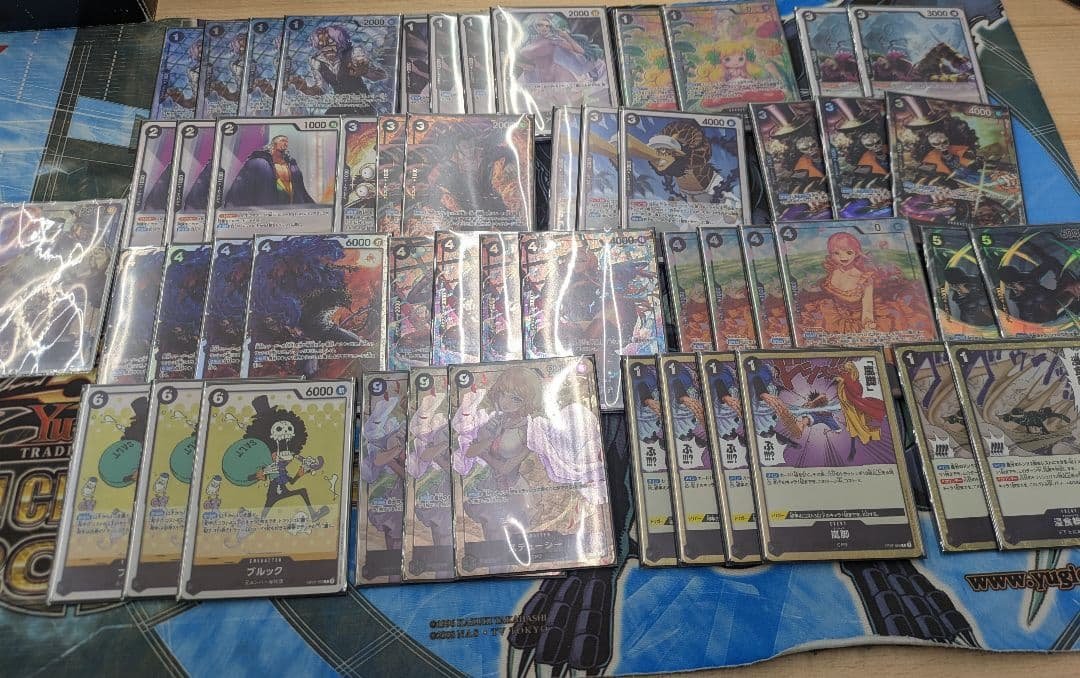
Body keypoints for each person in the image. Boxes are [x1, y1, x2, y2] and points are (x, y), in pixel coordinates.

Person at [224, 134, 314, 207]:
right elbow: (240, 190)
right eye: (282, 140)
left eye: (287, 141)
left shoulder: (292, 165)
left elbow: (301, 190)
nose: (286, 143)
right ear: (274, 144)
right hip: (267, 211)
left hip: (289, 211)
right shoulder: (259, 163)